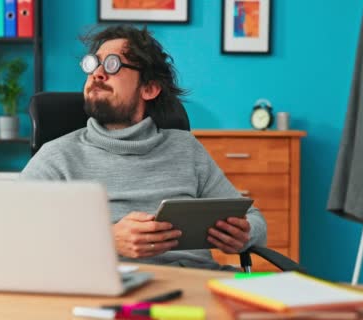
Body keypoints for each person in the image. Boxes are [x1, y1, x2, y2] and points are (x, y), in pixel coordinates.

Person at [20, 25, 267, 270]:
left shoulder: (186, 149)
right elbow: (9, 231)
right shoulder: (57, 156)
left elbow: (255, 220)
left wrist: (244, 233)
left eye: (112, 64)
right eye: (93, 64)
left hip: (199, 283)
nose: (97, 73)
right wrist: (106, 239)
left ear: (149, 88)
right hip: (120, 290)